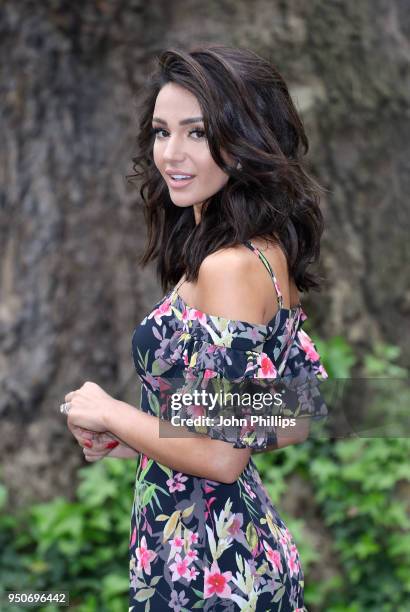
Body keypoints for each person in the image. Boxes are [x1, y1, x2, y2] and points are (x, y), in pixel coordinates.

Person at [64, 44, 329, 611]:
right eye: (162, 132)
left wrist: (110, 410)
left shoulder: (228, 268)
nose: (172, 154)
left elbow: (224, 458)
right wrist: (132, 436)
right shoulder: (261, 253)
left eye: (198, 133)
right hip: (222, 553)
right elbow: (299, 412)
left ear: (247, 140)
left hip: (210, 570)